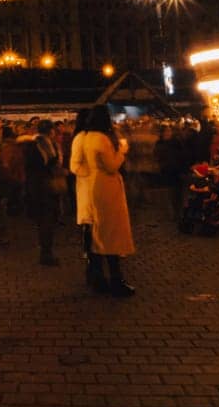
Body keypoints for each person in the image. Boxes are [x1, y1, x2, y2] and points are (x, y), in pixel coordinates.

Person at [70, 106, 135, 297]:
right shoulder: (101, 139)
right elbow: (112, 166)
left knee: (92, 231)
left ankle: (96, 274)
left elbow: (74, 165)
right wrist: (122, 150)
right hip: (106, 188)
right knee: (110, 232)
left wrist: (87, 176)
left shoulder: (80, 138)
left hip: (87, 189)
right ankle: (115, 279)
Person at [21, 119, 65, 266]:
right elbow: (51, 164)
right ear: (50, 131)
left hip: (34, 186)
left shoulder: (31, 144)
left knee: (42, 220)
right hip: (45, 187)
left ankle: (45, 250)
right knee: (47, 220)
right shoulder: (45, 145)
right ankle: (46, 254)